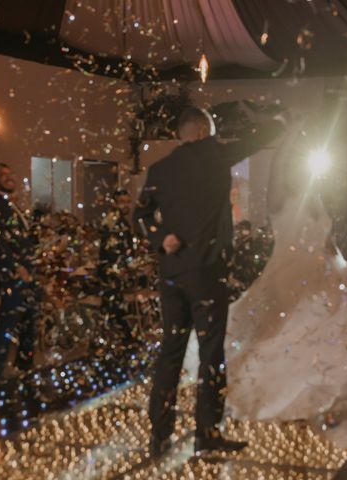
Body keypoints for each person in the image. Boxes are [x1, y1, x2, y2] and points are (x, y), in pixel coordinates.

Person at [225, 129, 347, 453]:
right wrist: (287, 138)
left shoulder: (314, 198)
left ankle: (336, 401)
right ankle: (284, 401)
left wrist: (342, 274)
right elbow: (278, 170)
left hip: (327, 279)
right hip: (294, 276)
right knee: (296, 336)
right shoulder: (280, 201)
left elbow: (327, 243)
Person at [135, 106, 286, 458]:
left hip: (171, 274)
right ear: (202, 130)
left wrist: (161, 237)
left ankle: (159, 436)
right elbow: (258, 138)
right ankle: (207, 433)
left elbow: (139, 215)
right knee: (211, 355)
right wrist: (279, 121)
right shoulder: (213, 152)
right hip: (206, 273)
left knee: (170, 353)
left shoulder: (159, 168)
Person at [0, 163, 39, 392]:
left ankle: (23, 368)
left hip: (29, 273)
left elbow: (22, 240)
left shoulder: (14, 206)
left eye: (10, 173)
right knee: (8, 325)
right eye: (2, 175)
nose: (8, 177)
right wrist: (16, 267)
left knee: (30, 323)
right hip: (13, 276)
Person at [97, 188, 135, 342]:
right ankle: (121, 338)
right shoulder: (112, 220)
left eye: (128, 202)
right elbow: (111, 248)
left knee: (115, 304)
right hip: (112, 270)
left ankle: (119, 337)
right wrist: (120, 267)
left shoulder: (122, 220)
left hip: (117, 268)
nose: (126, 206)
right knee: (114, 304)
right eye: (122, 202)